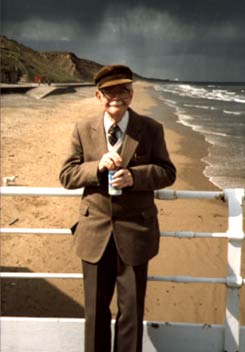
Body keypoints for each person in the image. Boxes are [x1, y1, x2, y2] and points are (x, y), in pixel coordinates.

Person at [59, 64, 176, 352]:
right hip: (94, 234)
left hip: (136, 233)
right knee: (95, 314)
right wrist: (96, 167)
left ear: (132, 95)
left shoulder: (150, 129)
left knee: (132, 316)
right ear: (98, 96)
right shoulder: (82, 129)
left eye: (123, 90)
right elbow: (67, 175)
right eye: (110, 91)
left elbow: (167, 172)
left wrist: (136, 177)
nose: (117, 96)